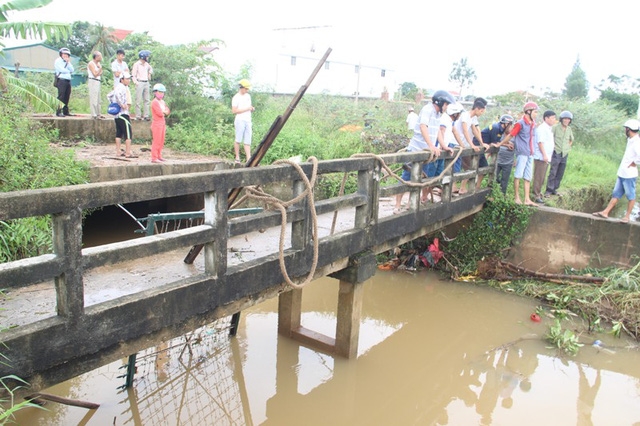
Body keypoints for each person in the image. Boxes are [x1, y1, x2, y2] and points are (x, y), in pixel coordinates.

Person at [394, 90, 455, 212]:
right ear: (440, 101)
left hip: (426, 154)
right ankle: (397, 205)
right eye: (446, 104)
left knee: (421, 180)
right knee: (406, 179)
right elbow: (423, 127)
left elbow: (437, 131)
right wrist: (431, 145)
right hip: (415, 150)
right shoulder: (428, 110)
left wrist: (443, 145)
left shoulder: (438, 115)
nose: (447, 107)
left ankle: (411, 204)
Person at [593, 119, 640, 224]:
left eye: (625, 129)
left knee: (630, 195)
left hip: (629, 175)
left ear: (628, 129)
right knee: (616, 194)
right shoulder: (631, 139)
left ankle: (627, 216)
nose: (625, 131)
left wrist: (635, 162)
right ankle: (605, 212)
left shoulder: (636, 142)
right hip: (622, 173)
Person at [500, 102, 539, 206]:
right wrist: (501, 143)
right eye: (535, 112)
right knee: (518, 175)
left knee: (528, 177)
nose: (536, 114)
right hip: (522, 153)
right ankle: (516, 197)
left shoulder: (533, 124)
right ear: (528, 111)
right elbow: (511, 135)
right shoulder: (520, 123)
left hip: (530, 153)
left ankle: (527, 199)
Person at [458, 97, 488, 192]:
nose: (481, 113)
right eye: (481, 111)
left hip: (466, 144)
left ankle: (462, 188)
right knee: (466, 168)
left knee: (470, 168)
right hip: (460, 144)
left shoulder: (472, 118)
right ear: (477, 109)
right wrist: (472, 144)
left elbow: (474, 130)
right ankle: (461, 188)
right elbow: (465, 130)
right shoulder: (465, 115)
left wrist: (482, 143)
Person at [545, 110, 574, 197]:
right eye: (565, 119)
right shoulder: (555, 127)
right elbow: (549, 138)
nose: (566, 121)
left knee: (560, 172)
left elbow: (571, 139)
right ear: (561, 119)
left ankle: (555, 189)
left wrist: (567, 147)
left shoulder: (569, 129)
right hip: (556, 152)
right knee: (553, 171)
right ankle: (548, 190)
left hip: (564, 153)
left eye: (568, 119)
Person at [532, 110, 556, 203]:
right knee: (539, 176)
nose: (554, 120)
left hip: (546, 157)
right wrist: (545, 155)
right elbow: (540, 142)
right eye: (552, 118)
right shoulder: (542, 128)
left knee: (542, 177)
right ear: (546, 118)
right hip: (541, 157)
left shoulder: (548, 128)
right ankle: (536, 195)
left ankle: (538, 193)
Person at [490, 114, 516, 195]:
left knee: (505, 180)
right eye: (509, 125)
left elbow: (517, 147)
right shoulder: (499, 133)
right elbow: (494, 142)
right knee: (494, 177)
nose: (510, 128)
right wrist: (506, 144)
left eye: (511, 126)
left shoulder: (514, 136)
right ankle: (492, 193)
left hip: (509, 161)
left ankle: (502, 196)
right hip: (498, 159)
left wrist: (516, 159)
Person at [232, 79, 255, 164]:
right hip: (240, 120)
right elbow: (234, 111)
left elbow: (249, 107)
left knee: (247, 140)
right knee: (238, 139)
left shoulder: (248, 96)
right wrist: (247, 109)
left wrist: (251, 109)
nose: (247, 90)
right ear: (242, 88)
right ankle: (237, 157)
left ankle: (248, 158)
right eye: (246, 88)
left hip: (248, 120)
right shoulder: (236, 97)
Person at [113, 72, 134, 158]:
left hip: (117, 114)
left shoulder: (118, 87)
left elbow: (110, 95)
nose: (128, 81)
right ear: (122, 80)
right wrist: (122, 105)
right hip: (123, 113)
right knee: (128, 133)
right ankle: (128, 152)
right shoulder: (122, 88)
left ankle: (118, 151)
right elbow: (117, 96)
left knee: (119, 133)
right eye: (127, 79)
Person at [150, 83, 171, 163]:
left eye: (162, 92)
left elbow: (167, 111)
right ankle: (154, 157)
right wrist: (164, 112)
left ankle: (159, 155)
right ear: (155, 92)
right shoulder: (154, 102)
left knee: (161, 140)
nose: (161, 94)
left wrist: (164, 112)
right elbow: (160, 113)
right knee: (156, 140)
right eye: (159, 92)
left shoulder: (162, 102)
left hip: (162, 122)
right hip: (157, 123)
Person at [131, 50, 153, 120]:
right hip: (139, 82)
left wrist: (149, 74)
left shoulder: (147, 64)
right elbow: (133, 75)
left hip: (146, 82)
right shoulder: (136, 64)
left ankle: (146, 115)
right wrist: (136, 83)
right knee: (138, 100)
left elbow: (151, 69)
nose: (147, 58)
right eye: (147, 57)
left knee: (147, 100)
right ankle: (138, 115)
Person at [54, 47, 74, 117]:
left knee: (67, 96)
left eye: (67, 55)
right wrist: (68, 71)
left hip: (68, 80)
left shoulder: (68, 62)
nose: (65, 56)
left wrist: (68, 63)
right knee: (61, 96)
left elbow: (72, 70)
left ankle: (66, 111)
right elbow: (62, 70)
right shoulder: (58, 61)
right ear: (61, 54)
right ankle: (58, 111)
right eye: (64, 54)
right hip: (61, 80)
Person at [87, 51, 103, 119]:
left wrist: (99, 70)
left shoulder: (99, 64)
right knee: (94, 98)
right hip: (93, 81)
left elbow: (100, 73)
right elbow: (95, 74)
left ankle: (98, 113)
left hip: (98, 81)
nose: (101, 57)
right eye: (100, 56)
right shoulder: (91, 63)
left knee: (98, 98)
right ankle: (94, 114)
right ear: (96, 57)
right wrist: (99, 69)